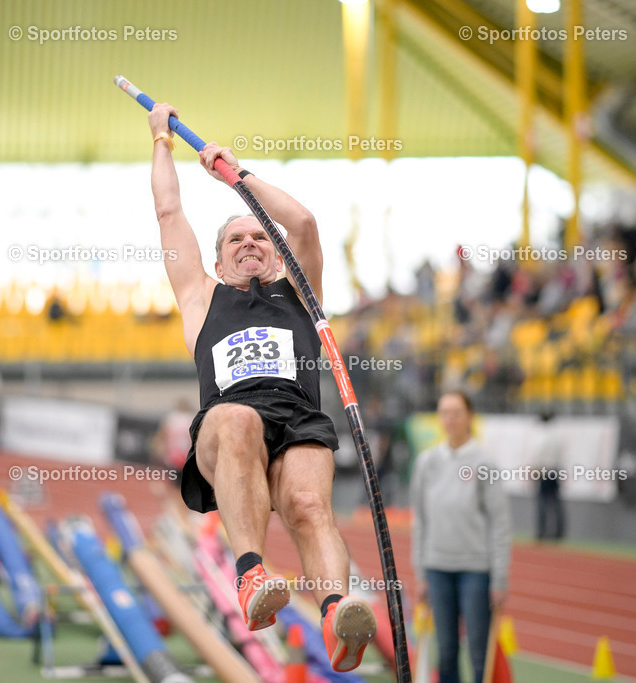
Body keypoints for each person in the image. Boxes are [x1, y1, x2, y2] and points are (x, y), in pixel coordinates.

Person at [148, 102, 375, 672]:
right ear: (220, 260)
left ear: (274, 254)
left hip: (298, 418)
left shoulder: (300, 293)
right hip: (228, 426)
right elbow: (169, 212)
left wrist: (239, 178)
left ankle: (335, 614)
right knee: (239, 420)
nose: (250, 242)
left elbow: (302, 225)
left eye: (258, 237)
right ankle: (250, 575)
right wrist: (161, 141)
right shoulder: (201, 298)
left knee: (306, 504)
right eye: (236, 240)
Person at [411, 391, 511, 683]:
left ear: (470, 416)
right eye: (444, 412)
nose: (450, 419)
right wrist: (420, 573)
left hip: (476, 571)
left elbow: (500, 524)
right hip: (437, 568)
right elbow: (421, 522)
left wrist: (500, 579)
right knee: (446, 651)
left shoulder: (485, 463)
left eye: (456, 412)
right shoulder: (427, 462)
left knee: (480, 652)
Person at [534, 411, 565, 541]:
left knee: (543, 502)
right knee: (556, 502)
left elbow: (541, 455)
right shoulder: (558, 434)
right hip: (555, 470)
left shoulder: (544, 435)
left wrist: (537, 470)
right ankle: (558, 532)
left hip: (545, 471)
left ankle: (542, 532)